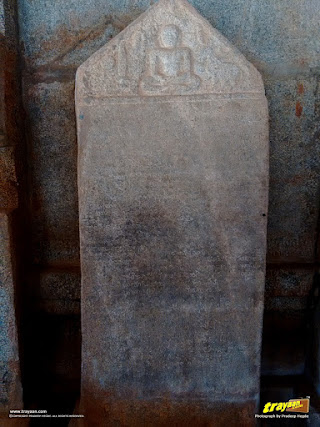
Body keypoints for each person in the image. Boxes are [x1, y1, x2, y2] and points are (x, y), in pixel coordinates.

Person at [140, 25, 201, 95]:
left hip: (178, 79)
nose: (170, 38)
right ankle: (173, 89)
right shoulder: (155, 52)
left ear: (178, 37)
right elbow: (153, 73)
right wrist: (161, 78)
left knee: (196, 80)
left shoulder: (184, 51)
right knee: (144, 83)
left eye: (173, 35)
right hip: (162, 80)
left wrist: (178, 78)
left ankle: (165, 89)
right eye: (166, 35)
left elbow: (187, 72)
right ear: (161, 38)